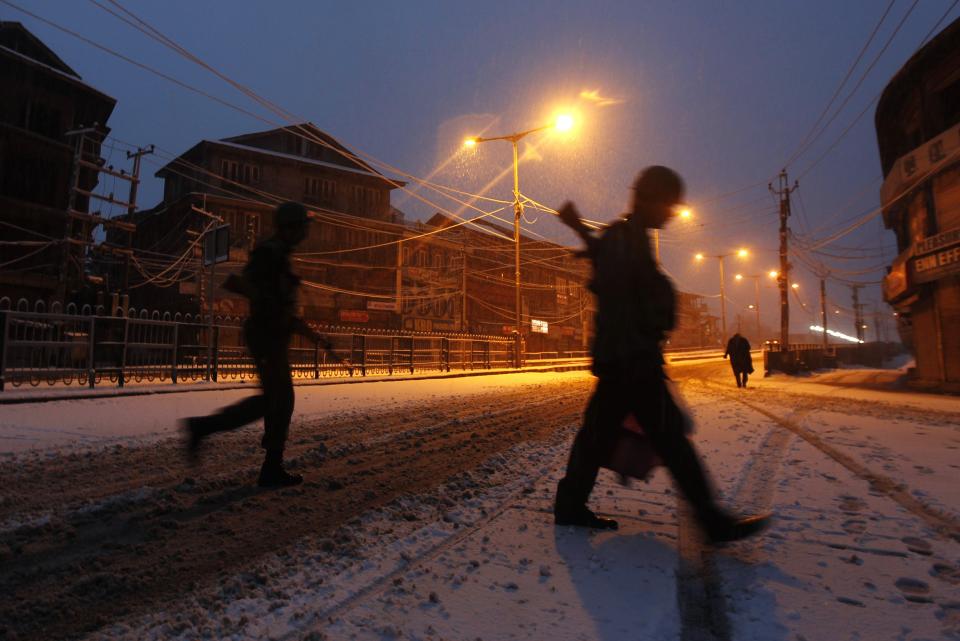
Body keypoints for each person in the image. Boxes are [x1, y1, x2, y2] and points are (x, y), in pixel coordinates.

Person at [553, 166, 770, 543]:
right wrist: (583, 234)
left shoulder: (629, 236)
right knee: (669, 439)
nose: (671, 213)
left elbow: (608, 260)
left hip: (624, 356)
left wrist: (581, 232)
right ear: (649, 200)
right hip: (631, 358)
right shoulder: (627, 237)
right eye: (669, 204)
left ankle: (570, 505)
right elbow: (618, 277)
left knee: (598, 436)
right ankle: (711, 521)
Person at [182, 202, 333, 487]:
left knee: (278, 401)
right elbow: (250, 286)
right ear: (290, 227)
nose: (305, 232)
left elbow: (283, 309)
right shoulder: (270, 253)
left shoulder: (281, 255)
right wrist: (264, 300)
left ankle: (269, 466)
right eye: (302, 226)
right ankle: (206, 429)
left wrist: (315, 337)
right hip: (266, 336)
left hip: (273, 335)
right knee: (275, 400)